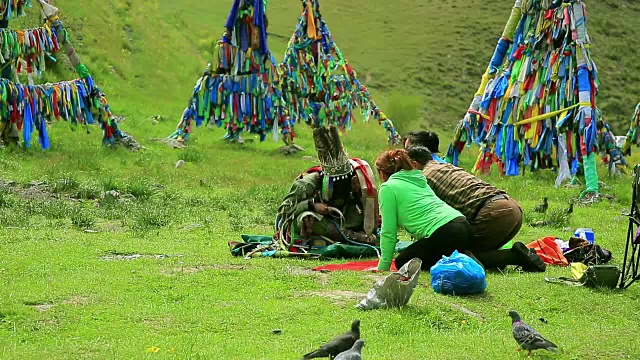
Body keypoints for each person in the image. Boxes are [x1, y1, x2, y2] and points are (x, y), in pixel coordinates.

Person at [375, 149, 545, 272]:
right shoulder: (419, 180)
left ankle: (510, 257)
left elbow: (389, 232)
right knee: (461, 253)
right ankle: (508, 257)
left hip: (445, 231)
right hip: (461, 223)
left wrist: (383, 266)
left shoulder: (388, 188)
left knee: (403, 262)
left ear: (382, 173)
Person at [405, 132, 532, 264]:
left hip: (494, 213)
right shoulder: (443, 165)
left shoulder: (423, 178)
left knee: (456, 257)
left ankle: (516, 257)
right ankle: (513, 256)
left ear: (414, 163)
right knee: (473, 251)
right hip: (511, 207)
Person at [277, 125, 378, 247]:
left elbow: (370, 210)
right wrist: (311, 205)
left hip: (346, 218)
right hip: (320, 220)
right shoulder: (307, 183)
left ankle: (331, 240)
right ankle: (357, 239)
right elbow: (284, 210)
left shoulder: (358, 178)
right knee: (307, 219)